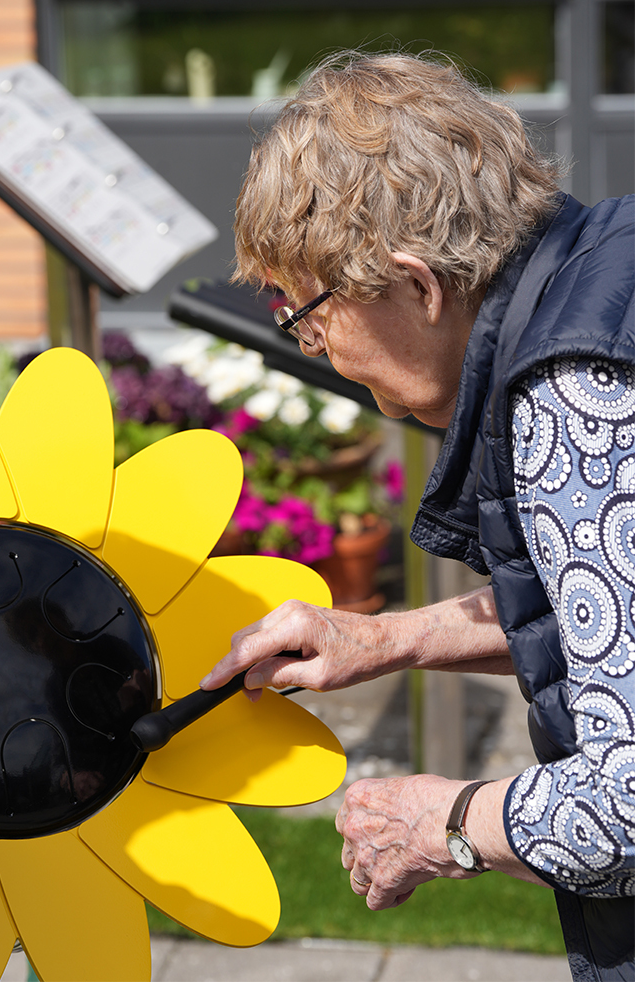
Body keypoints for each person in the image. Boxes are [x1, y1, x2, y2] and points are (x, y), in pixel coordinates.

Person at [199, 52, 635, 982]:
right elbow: (604, 617)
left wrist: (442, 823)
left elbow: (628, 803)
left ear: (417, 284)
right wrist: (386, 637)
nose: (315, 349)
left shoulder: (575, 397)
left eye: (306, 315)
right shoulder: (609, 264)